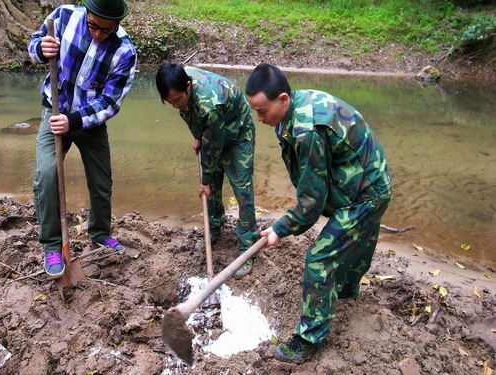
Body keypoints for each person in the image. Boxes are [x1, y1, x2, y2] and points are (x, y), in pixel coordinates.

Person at [245, 63, 393, 363]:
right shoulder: (297, 108)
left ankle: (308, 338)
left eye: (262, 111)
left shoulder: (306, 129)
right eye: (254, 111)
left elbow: (312, 202)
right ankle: (349, 291)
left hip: (365, 194)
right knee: (357, 240)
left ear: (283, 99)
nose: (259, 118)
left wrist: (280, 228)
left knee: (320, 258)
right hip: (366, 181)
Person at [28, 0, 137, 279]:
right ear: (86, 13)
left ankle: (100, 233)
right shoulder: (63, 17)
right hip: (54, 112)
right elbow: (34, 43)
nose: (99, 34)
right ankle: (52, 244)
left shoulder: (125, 51)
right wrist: (41, 49)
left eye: (107, 30)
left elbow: (111, 102)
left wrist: (75, 121)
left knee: (102, 181)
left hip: (90, 123)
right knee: (47, 175)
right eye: (93, 26)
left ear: (118, 24)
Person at [155, 61, 259, 278]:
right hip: (213, 129)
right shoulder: (178, 81)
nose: (174, 105)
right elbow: (189, 113)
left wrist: (205, 179)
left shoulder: (210, 105)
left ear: (188, 86)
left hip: (238, 132)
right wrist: (198, 135)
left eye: (177, 99)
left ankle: (248, 244)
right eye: (168, 101)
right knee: (211, 184)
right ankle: (214, 228)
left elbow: (213, 148)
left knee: (241, 187)